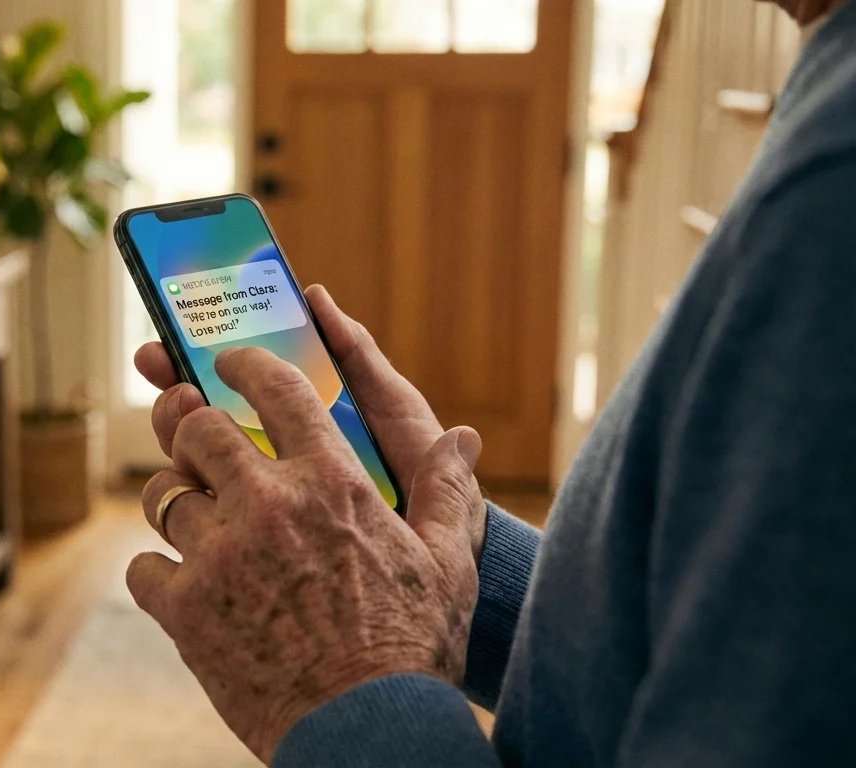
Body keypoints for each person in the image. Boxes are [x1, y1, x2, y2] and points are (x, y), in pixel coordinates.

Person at [124, 0, 856, 765]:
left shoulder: (835, 190)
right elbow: (704, 643)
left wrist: (345, 678)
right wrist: (453, 555)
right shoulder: (831, 101)